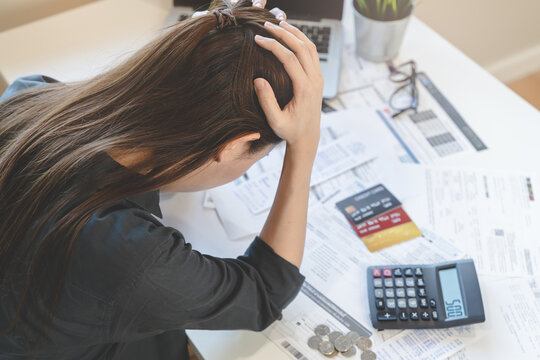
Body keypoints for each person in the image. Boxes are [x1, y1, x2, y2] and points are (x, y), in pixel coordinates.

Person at [0, 0, 323, 359]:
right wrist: (305, 142)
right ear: (235, 146)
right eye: (258, 155)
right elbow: (264, 292)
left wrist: (195, 42)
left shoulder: (28, 95)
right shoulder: (133, 257)